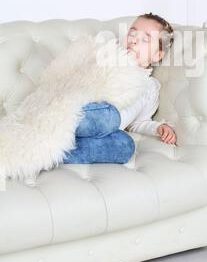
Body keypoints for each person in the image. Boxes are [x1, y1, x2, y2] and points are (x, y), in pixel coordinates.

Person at [63, 13, 176, 165]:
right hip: (90, 115)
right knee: (109, 116)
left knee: (125, 145)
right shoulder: (110, 62)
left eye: (145, 39)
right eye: (132, 33)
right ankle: (60, 128)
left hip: (105, 134)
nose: (134, 40)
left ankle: (61, 154)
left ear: (157, 55)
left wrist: (158, 128)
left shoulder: (150, 86)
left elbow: (138, 123)